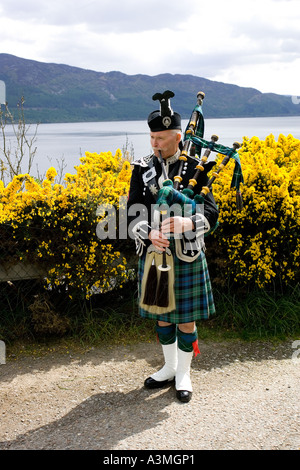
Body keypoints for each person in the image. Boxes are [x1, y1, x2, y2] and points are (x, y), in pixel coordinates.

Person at [127, 91, 218, 403]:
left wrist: (187, 223)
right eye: (152, 137)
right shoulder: (141, 168)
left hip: (188, 252)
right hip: (156, 252)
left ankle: (184, 373)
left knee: (186, 317)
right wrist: (148, 233)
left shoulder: (198, 167)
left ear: (178, 136)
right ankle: (168, 366)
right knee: (161, 313)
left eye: (161, 138)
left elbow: (211, 213)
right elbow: (132, 211)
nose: (154, 143)